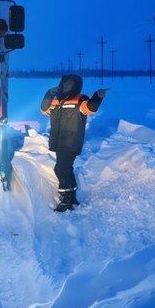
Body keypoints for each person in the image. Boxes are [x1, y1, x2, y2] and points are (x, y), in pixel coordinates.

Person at [40, 75, 108, 212]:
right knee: (66, 168)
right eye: (65, 83)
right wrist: (49, 94)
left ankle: (65, 198)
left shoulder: (80, 99)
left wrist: (97, 97)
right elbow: (43, 110)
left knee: (60, 169)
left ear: (75, 86)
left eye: (70, 83)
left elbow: (90, 108)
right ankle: (72, 196)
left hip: (71, 140)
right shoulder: (56, 100)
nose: (66, 85)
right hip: (58, 140)